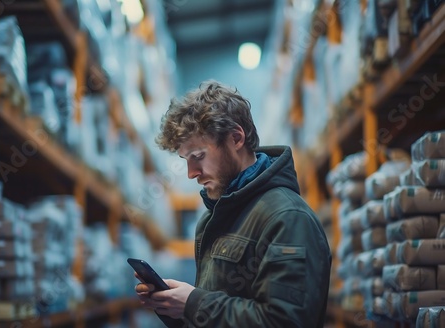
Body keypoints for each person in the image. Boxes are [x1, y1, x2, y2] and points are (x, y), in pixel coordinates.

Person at [134, 80, 332, 327]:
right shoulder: (211, 219)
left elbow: (285, 322)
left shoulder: (288, 218)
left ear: (236, 138)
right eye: (186, 159)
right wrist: (175, 308)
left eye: (198, 156)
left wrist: (193, 303)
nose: (191, 173)